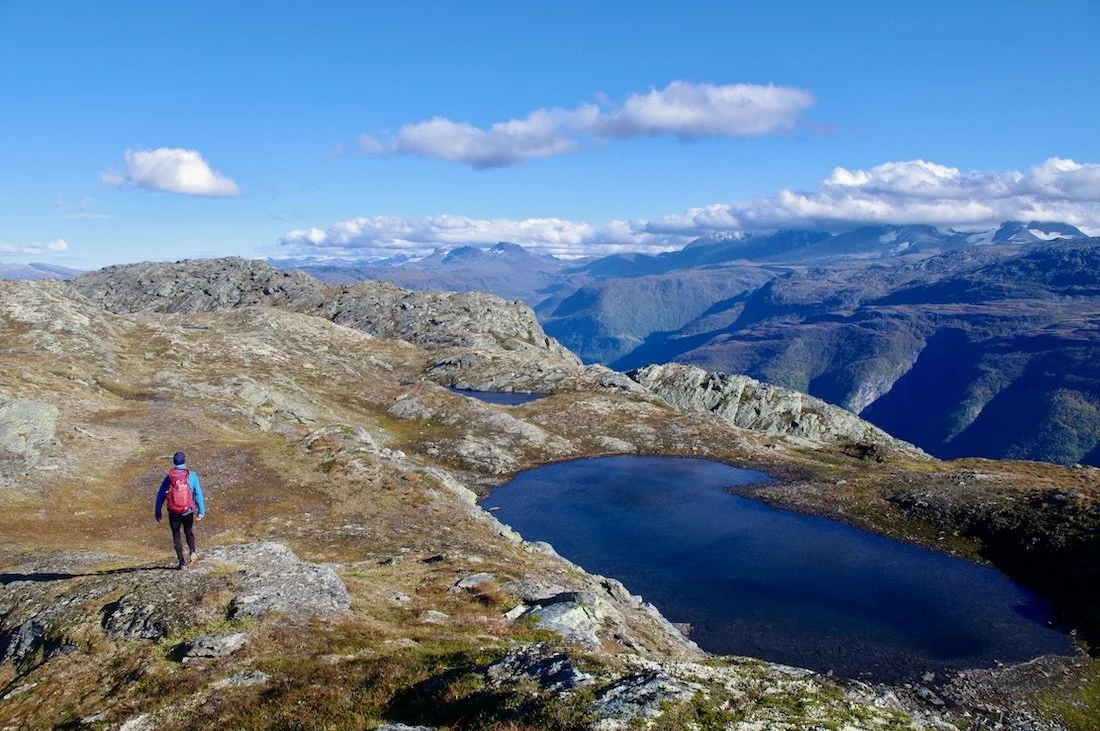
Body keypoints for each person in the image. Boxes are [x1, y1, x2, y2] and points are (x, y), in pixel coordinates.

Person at [154, 451, 206, 569]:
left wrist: (158, 511)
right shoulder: (191, 475)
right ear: (184, 461)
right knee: (188, 531)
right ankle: (192, 551)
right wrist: (201, 511)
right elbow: (198, 493)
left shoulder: (170, 477)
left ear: (174, 462)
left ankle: (181, 562)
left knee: (176, 534)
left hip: (174, 512)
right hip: (187, 511)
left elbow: (161, 494)